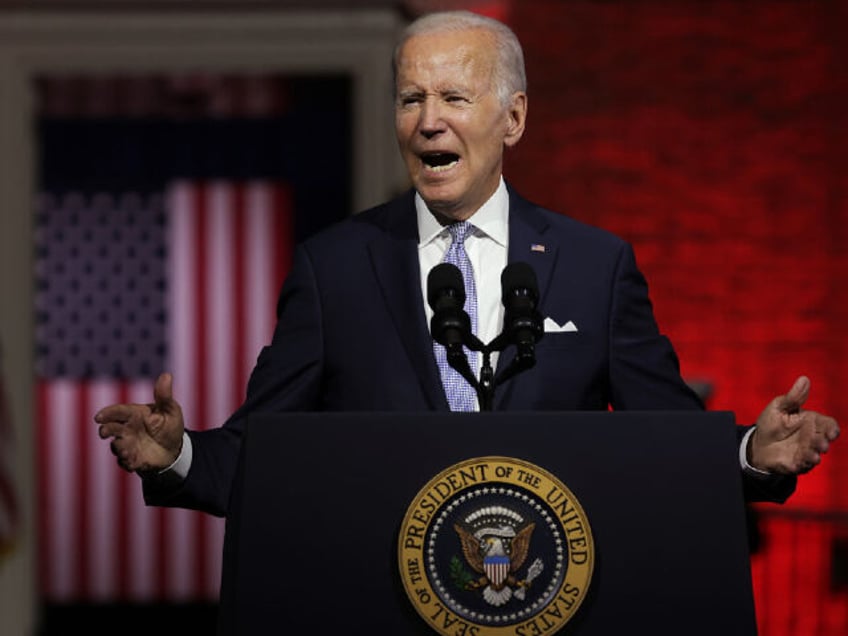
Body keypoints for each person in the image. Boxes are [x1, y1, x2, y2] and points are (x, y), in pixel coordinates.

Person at [95, 10, 838, 517]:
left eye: (454, 95)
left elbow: (664, 438)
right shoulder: (335, 268)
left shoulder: (594, 264)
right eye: (411, 98)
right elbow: (262, 456)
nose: (428, 121)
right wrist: (178, 455)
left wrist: (749, 453)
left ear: (512, 118)